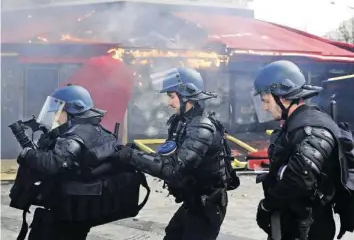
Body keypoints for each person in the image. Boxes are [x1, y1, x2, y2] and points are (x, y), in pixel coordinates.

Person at [114, 67, 239, 240]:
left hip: (207, 204)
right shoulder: (182, 123)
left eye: (172, 96)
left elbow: (174, 168)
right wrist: (136, 152)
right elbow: (166, 157)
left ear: (186, 96)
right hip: (193, 201)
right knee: (173, 233)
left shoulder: (201, 127)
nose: (169, 102)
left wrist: (131, 157)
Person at [15, 84, 148, 240]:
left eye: (59, 110)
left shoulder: (76, 135)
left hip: (66, 214)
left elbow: (56, 164)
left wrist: (27, 154)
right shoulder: (91, 128)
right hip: (76, 212)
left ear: (72, 110)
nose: (55, 116)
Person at [252, 60, 348, 240]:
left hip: (309, 227)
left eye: (266, 100)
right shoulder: (295, 123)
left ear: (282, 97)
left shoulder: (313, 128)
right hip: (292, 220)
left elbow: (299, 178)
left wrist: (267, 205)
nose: (264, 107)